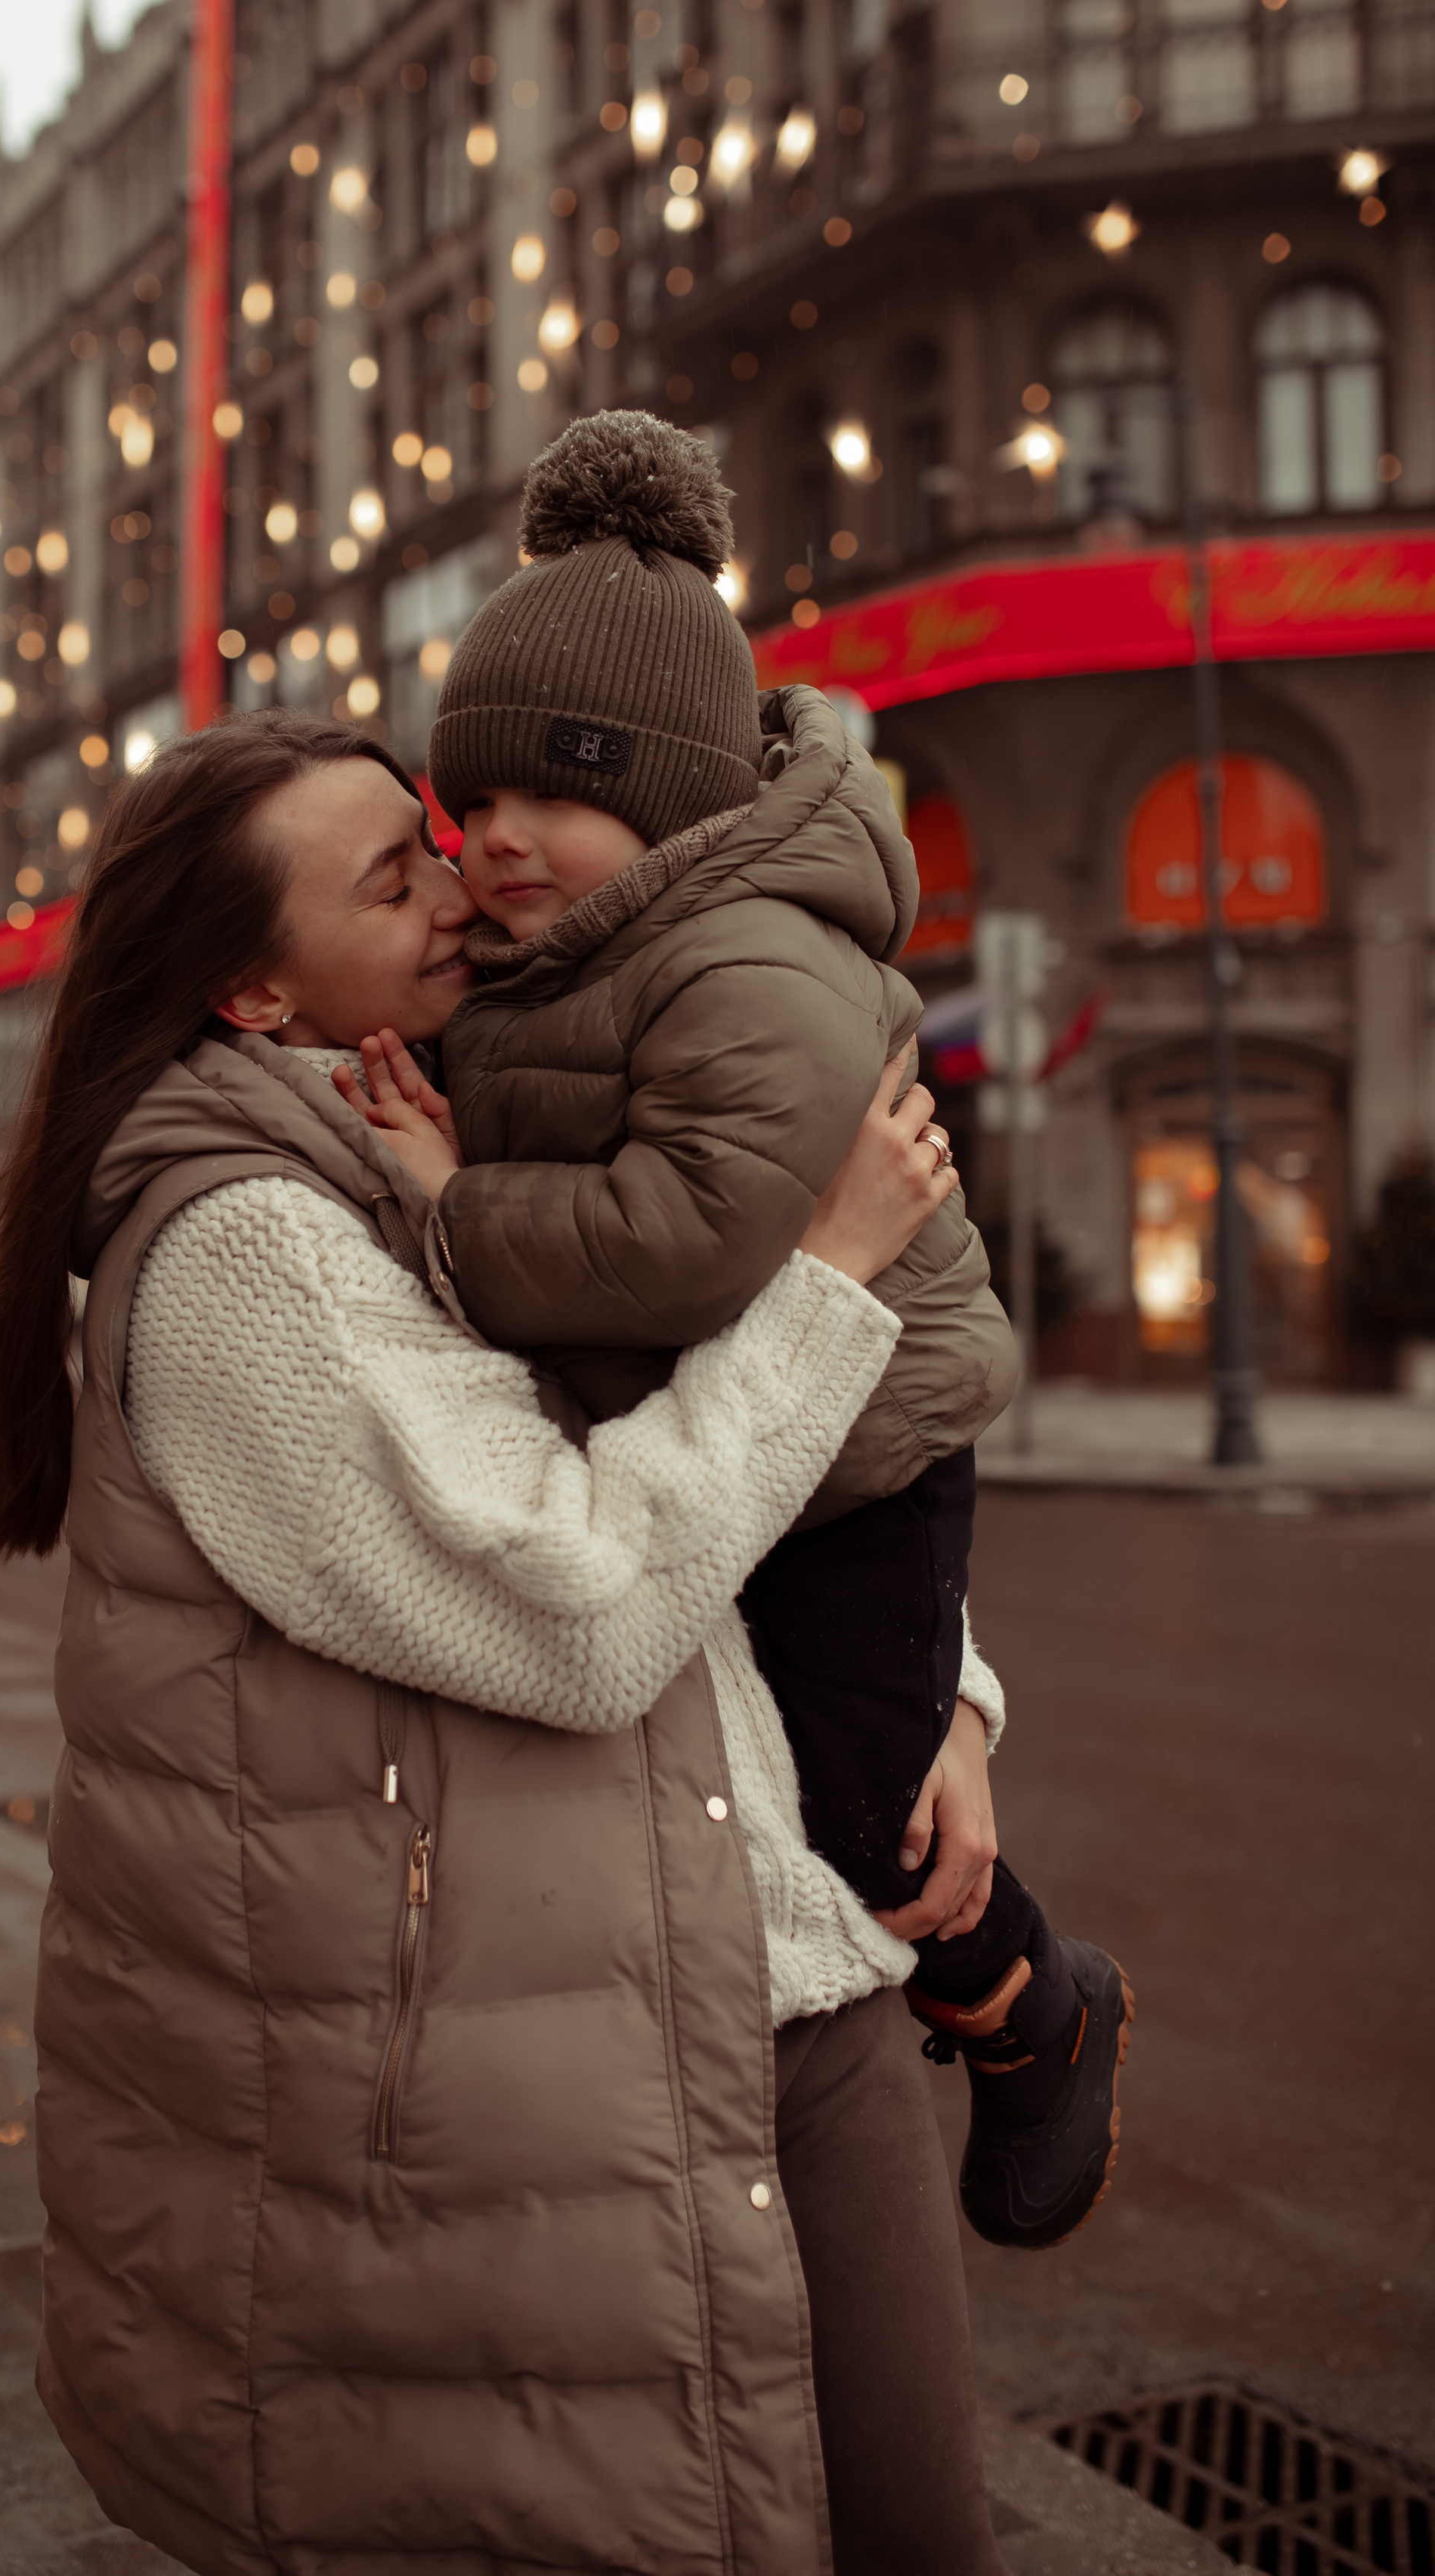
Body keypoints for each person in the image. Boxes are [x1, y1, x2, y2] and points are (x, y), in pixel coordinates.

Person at [0, 707, 1011, 2576]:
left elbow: (747, 1460)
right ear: (251, 993)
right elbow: (586, 1597)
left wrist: (948, 1699)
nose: (460, 889)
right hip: (564, 2072)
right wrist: (826, 1277)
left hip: (734, 1971)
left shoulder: (451, 1129)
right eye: (391, 883)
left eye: (434, 842)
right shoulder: (246, 1255)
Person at [339, 408, 1132, 2256]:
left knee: (864, 1809)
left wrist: (451, 1209)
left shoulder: (747, 954)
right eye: (473, 801)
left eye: (553, 794)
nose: (498, 840)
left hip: (854, 1459)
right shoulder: (583, 951)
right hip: (731, 1446)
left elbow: (683, 1243)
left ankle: (1033, 2009)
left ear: (673, 795)